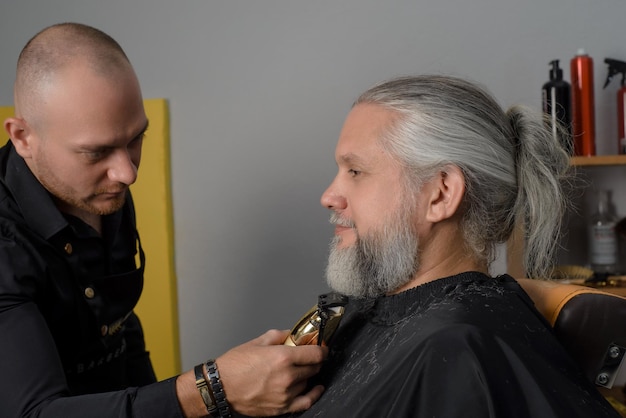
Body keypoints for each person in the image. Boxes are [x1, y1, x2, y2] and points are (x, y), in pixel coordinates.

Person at [0, 23, 327, 418]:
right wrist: (211, 388)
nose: (127, 173)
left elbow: (118, 326)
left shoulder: (101, 186)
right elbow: (36, 414)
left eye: (135, 139)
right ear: (22, 137)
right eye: (96, 152)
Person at [289, 75, 620, 417]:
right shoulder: (363, 317)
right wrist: (229, 392)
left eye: (355, 171)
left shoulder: (459, 349)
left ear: (441, 194)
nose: (329, 197)